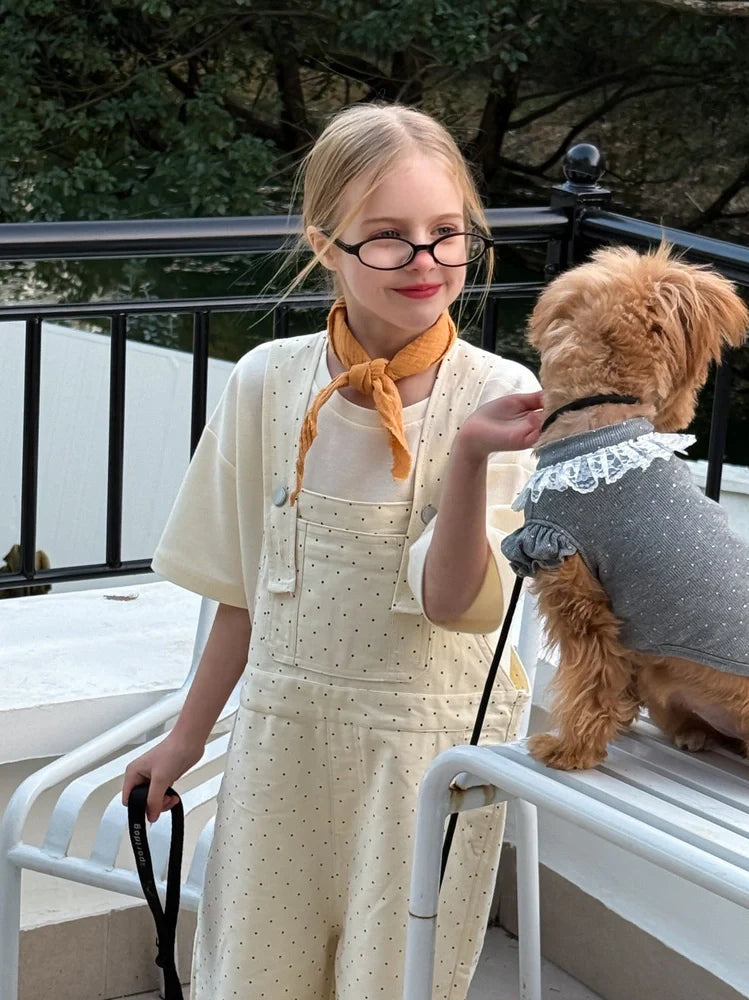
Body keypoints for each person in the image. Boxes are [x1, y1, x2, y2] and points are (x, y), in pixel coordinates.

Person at [122, 102, 543, 1000]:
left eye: (446, 234)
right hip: (283, 750)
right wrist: (184, 740)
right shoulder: (268, 381)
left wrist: (468, 453)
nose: (425, 261)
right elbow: (245, 591)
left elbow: (448, 600)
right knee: (251, 975)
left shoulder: (502, 396)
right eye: (387, 236)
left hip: (423, 765)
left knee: (392, 983)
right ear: (326, 245)